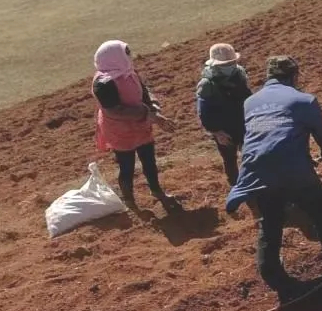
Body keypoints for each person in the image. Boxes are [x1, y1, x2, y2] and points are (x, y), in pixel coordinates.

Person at [226, 55, 322, 295]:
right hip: (291, 169)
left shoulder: (250, 102)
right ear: (293, 76)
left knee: (270, 219)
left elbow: (264, 134)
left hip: (255, 169)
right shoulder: (304, 100)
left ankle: (271, 272)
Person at [90, 39, 178, 211]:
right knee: (127, 166)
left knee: (149, 161)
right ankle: (129, 200)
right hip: (120, 131)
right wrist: (148, 114)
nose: (129, 56)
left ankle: (156, 191)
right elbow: (115, 110)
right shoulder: (103, 84)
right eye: (126, 53)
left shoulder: (129, 72)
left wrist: (154, 107)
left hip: (140, 126)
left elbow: (144, 92)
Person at [195, 43, 251, 186]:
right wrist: (217, 132)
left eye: (232, 62)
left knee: (250, 154)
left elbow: (247, 97)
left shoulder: (240, 73)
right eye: (226, 64)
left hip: (243, 123)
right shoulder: (207, 84)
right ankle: (235, 184)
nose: (230, 66)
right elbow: (204, 113)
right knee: (230, 160)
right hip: (224, 130)